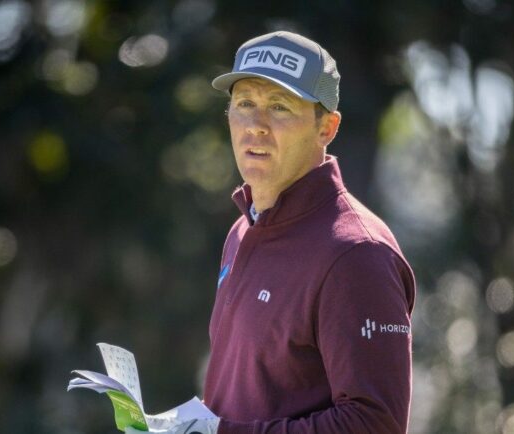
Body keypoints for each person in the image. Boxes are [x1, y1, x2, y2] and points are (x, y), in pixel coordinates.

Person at [129, 30, 415, 434]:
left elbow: (374, 424)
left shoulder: (357, 254)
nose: (256, 126)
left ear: (327, 128)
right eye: (244, 103)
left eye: (279, 107)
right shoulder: (242, 230)